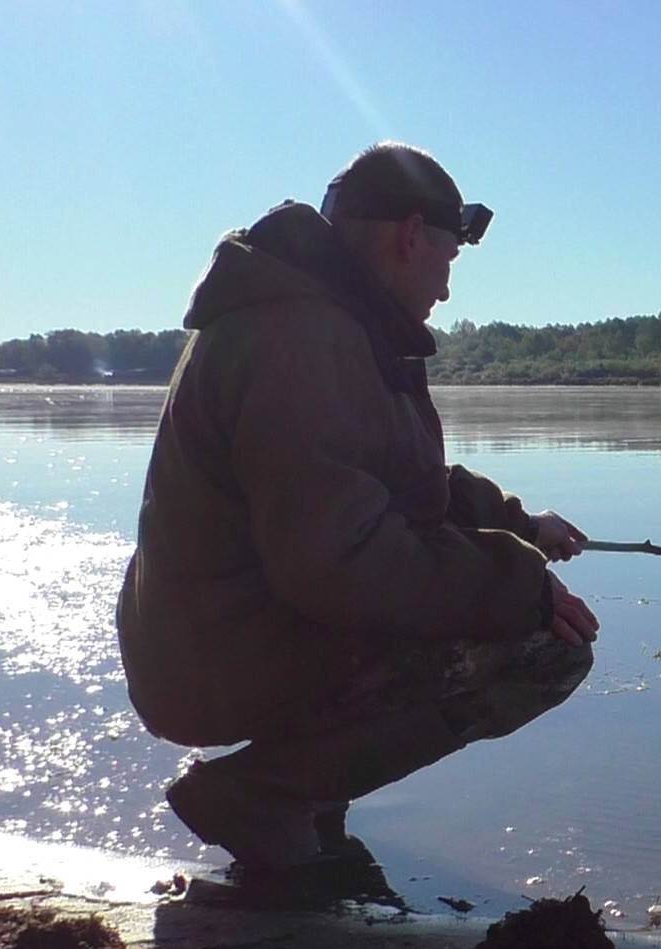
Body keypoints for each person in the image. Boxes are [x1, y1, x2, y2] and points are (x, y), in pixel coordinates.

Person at [116, 142, 599, 881]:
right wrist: (520, 584)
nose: (445, 287)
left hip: (216, 634)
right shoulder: (303, 337)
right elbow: (343, 563)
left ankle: (307, 806)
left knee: (467, 603)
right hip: (210, 658)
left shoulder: (328, 319)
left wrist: (521, 527)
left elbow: (401, 483)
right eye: (449, 259)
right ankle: (262, 797)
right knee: (542, 648)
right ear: (411, 235)